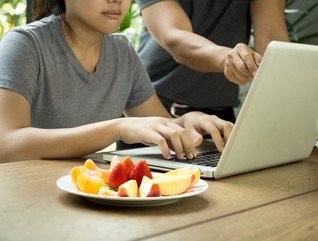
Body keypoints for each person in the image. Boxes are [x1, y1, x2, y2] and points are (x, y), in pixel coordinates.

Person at [0, 0, 233, 163]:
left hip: (87, 194)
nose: (117, 0)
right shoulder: (25, 44)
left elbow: (157, 123)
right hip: (29, 196)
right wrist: (117, 128)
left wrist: (187, 122)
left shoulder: (121, 51)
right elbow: (7, 145)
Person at [137, 0, 290, 122]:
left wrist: (297, 109)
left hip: (219, 112)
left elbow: (272, 39)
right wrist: (227, 58)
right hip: (152, 107)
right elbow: (175, 37)